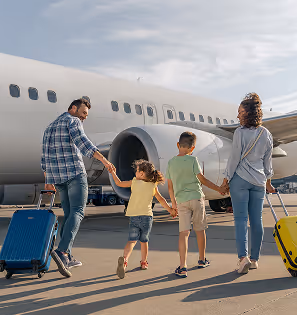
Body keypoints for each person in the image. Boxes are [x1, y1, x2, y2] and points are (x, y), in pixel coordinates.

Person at [41, 98, 113, 278]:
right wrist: (104, 160)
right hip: (74, 174)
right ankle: (62, 251)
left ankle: (66, 255)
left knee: (69, 214)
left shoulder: (49, 127)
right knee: (78, 212)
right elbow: (83, 143)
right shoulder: (72, 121)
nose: (84, 117)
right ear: (73, 108)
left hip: (58, 178)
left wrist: (47, 180)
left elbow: (44, 157)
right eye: (83, 113)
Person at [222, 93, 276, 274]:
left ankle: (242, 258)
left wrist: (226, 179)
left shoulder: (239, 133)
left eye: (240, 112)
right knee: (257, 221)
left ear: (248, 113)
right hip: (259, 181)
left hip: (240, 180)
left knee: (240, 220)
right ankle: (254, 260)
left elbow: (234, 158)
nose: (237, 116)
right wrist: (268, 182)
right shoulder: (266, 133)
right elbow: (268, 161)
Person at [166, 132, 227, 278]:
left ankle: (182, 267)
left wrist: (173, 204)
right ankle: (201, 259)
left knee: (184, 233)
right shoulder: (194, 160)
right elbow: (203, 180)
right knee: (200, 230)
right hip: (196, 198)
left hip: (181, 201)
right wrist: (219, 189)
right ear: (192, 148)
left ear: (178, 145)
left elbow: (170, 186)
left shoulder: (171, 162)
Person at [110, 160, 177, 279]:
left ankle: (124, 260)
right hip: (146, 217)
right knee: (144, 241)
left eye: (137, 171)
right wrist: (170, 210)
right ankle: (144, 262)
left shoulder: (135, 182)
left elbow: (119, 183)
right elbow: (161, 199)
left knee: (131, 241)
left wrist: (113, 172)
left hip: (134, 216)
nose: (135, 173)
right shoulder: (153, 185)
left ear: (141, 174)